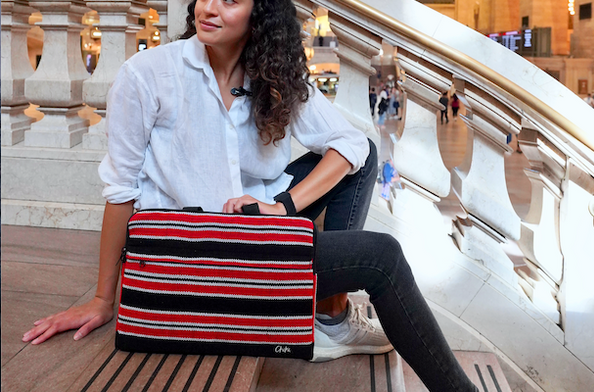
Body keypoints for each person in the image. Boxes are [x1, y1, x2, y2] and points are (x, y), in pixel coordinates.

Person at [22, 1, 478, 390]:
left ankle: (329, 319)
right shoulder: (147, 75)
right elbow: (120, 189)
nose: (209, 8)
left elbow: (352, 145)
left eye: (231, 0)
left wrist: (281, 207)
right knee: (384, 257)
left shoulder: (272, 76)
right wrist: (104, 300)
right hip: (192, 251)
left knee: (358, 159)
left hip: (251, 231)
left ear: (259, 14)